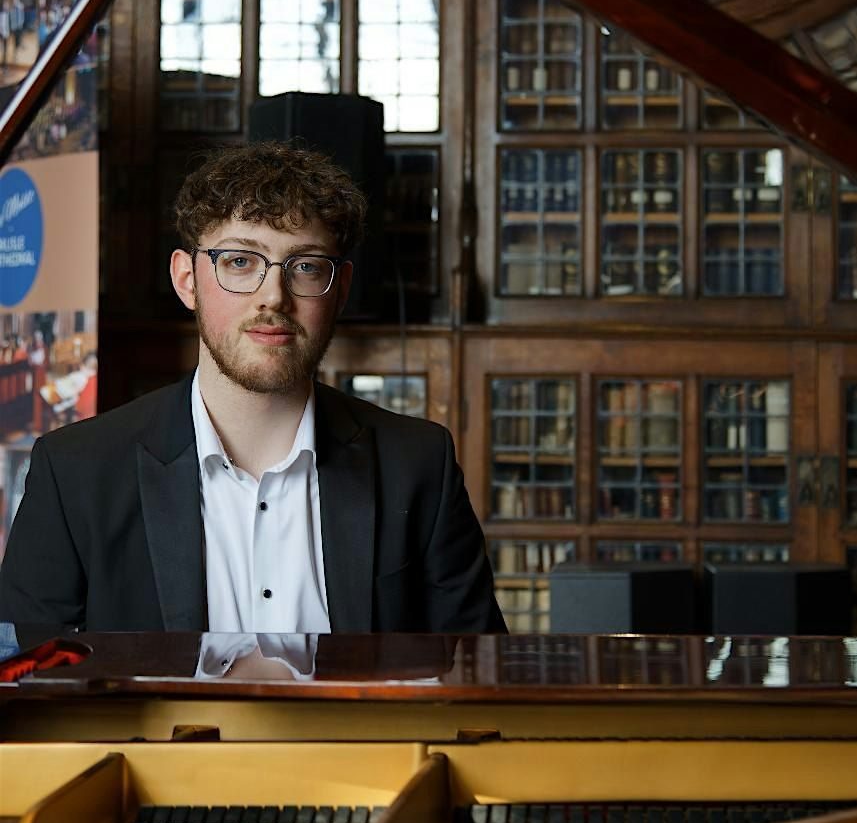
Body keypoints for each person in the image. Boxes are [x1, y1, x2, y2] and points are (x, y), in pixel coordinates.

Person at [0, 141, 505, 635]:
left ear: (341, 290)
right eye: (240, 262)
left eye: (306, 266)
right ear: (186, 280)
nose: (274, 297)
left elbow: (474, 670)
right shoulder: (75, 472)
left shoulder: (418, 465)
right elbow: (31, 680)